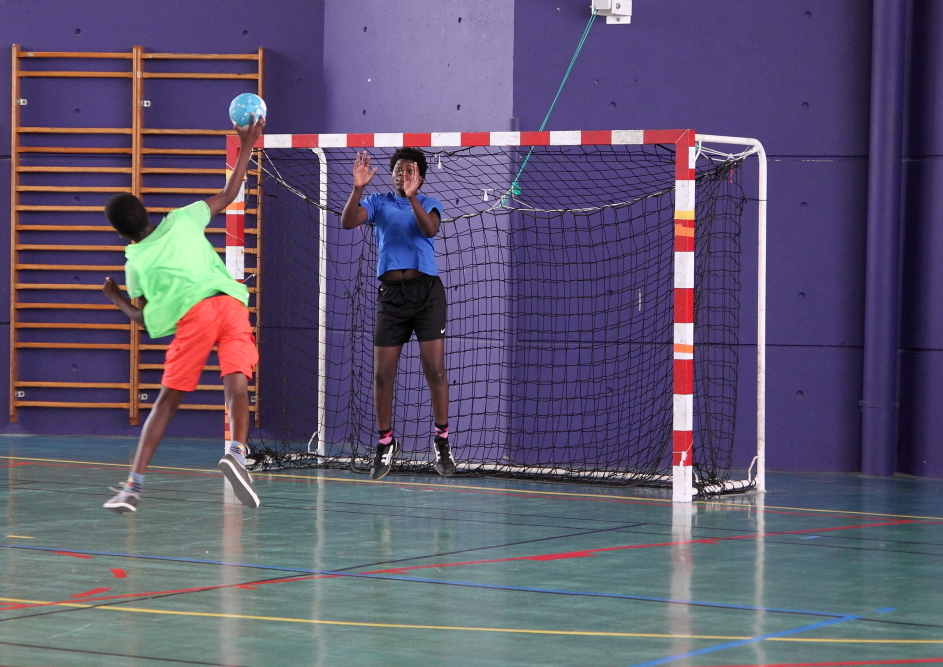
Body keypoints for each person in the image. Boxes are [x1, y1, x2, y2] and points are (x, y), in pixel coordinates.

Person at [100, 115, 266, 513]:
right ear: (146, 211)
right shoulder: (182, 218)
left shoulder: (136, 262)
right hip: (230, 303)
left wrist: (116, 298)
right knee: (237, 382)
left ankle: (132, 487)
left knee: (166, 402)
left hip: (196, 317)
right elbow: (229, 193)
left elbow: (143, 319)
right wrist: (247, 143)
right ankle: (237, 452)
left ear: (121, 234)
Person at [341, 147, 456, 480]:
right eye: (398, 170)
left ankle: (442, 441)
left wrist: (412, 196)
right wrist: (358, 188)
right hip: (391, 296)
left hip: (427, 294)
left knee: (435, 371)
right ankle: (386, 442)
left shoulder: (430, 202)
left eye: (409, 170)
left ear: (419, 176)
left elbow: (429, 230)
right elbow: (348, 222)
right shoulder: (377, 202)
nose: (402, 174)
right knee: (382, 374)